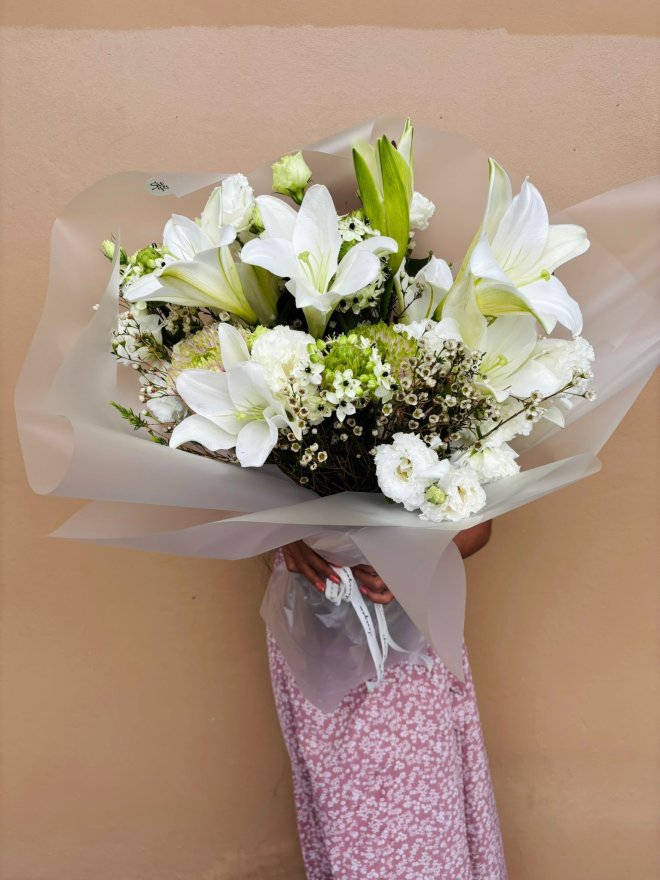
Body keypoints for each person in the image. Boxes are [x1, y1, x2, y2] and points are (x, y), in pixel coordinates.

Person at [267, 521, 507, 880]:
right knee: (339, 806)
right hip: (315, 625)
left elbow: (477, 524)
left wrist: (407, 560)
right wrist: (286, 533)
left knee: (428, 809)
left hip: (408, 650)